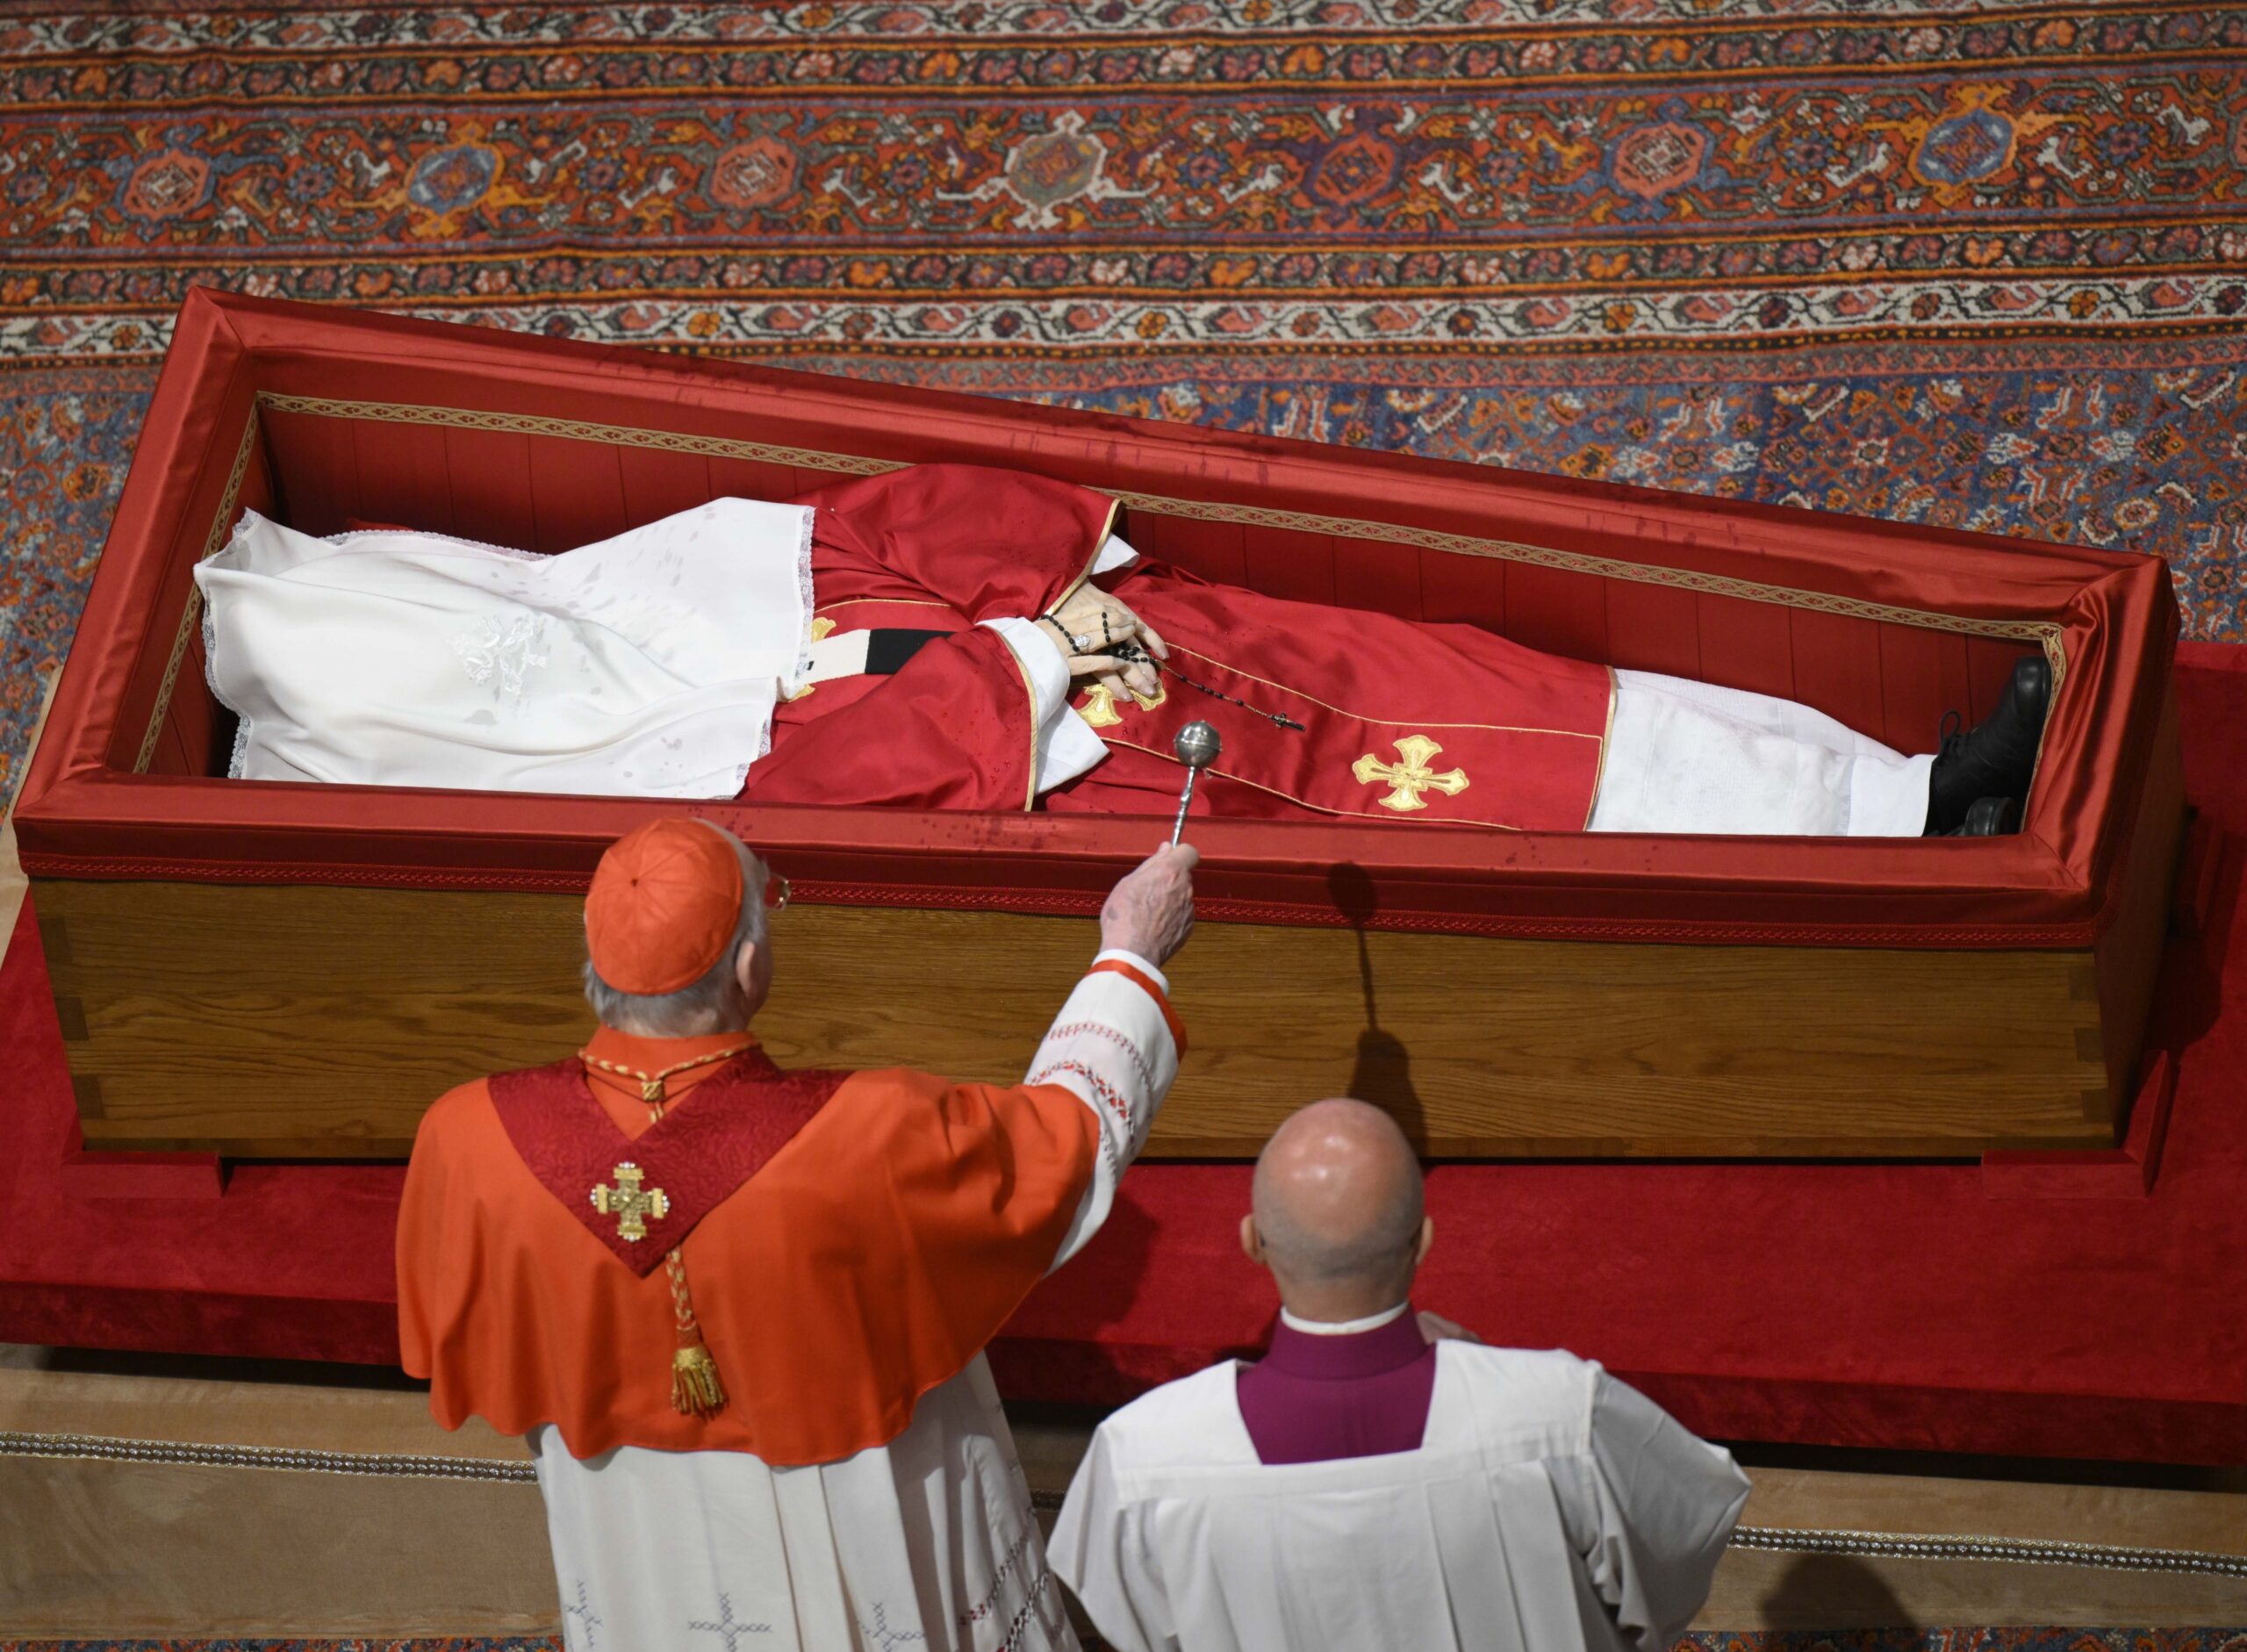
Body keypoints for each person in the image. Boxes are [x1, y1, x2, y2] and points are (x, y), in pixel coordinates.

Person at [395, 815, 1197, 1652]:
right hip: (856, 1507)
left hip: (633, 1526)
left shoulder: (464, 1138)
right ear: (748, 966)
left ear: (594, 953)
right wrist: (1129, 955)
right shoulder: (869, 1134)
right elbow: (1066, 1141)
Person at [199, 463, 2047, 837]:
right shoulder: (624, 793)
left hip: (1151, 646)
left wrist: (1056, 602)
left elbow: (878, 524)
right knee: (1490, 797)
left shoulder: (642, 585)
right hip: (1121, 786)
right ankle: (1890, 842)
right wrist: (1026, 666)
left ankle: (1885, 784)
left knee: (1499, 685)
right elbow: (838, 788)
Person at [1050, 1097, 1751, 1652]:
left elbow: (1160, 1647)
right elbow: (1677, 1554)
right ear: (1424, 1241)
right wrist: (1489, 1377)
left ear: (1252, 1241)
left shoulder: (1142, 1458)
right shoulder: (1560, 1413)